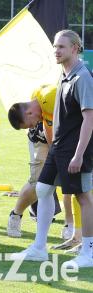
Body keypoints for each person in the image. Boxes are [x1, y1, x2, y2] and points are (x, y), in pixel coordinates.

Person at [12, 30, 93, 269]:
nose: (56, 51)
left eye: (61, 47)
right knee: (44, 188)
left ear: (75, 48)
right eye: (55, 47)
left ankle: (88, 252)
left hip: (75, 149)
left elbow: (89, 119)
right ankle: (39, 248)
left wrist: (79, 154)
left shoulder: (83, 77)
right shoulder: (64, 75)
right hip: (58, 146)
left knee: (83, 197)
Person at [6, 84, 80, 247]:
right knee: (39, 183)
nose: (32, 126)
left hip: (65, 136)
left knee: (70, 180)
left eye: (29, 124)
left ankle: (70, 225)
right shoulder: (39, 102)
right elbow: (47, 125)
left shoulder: (49, 98)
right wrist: (55, 150)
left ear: (29, 113)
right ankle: (16, 215)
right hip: (45, 140)